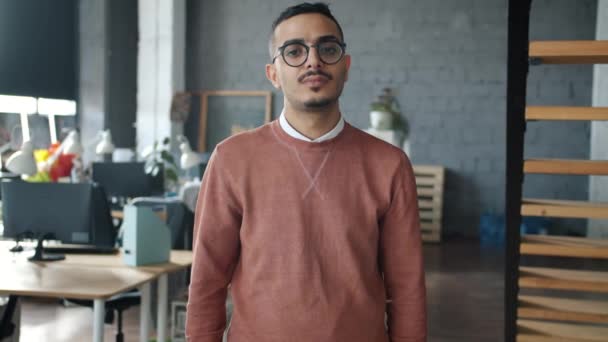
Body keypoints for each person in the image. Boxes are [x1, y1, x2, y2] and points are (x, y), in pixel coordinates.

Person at [186, 3, 426, 341]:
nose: (313, 60)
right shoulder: (232, 160)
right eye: (295, 51)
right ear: (273, 74)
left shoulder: (389, 165)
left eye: (328, 49)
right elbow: (207, 278)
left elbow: (407, 287)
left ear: (346, 66)